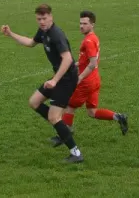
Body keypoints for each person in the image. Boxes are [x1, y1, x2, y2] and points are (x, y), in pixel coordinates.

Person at [1, 4, 84, 163]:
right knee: (34, 102)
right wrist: (10, 34)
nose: (42, 22)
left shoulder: (56, 34)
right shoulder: (43, 31)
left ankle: (76, 153)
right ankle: (63, 130)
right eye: (39, 19)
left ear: (51, 17)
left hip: (67, 79)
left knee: (54, 117)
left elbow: (67, 59)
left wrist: (54, 80)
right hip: (59, 77)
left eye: (44, 18)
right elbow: (30, 43)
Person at [50, 10, 128, 147]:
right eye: (80, 23)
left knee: (69, 106)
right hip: (95, 80)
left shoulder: (88, 41)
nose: (81, 26)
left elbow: (92, 63)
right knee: (92, 112)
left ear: (92, 25)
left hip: (86, 82)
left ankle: (64, 134)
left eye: (85, 23)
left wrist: (79, 77)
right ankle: (118, 117)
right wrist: (74, 65)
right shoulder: (94, 38)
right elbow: (87, 60)